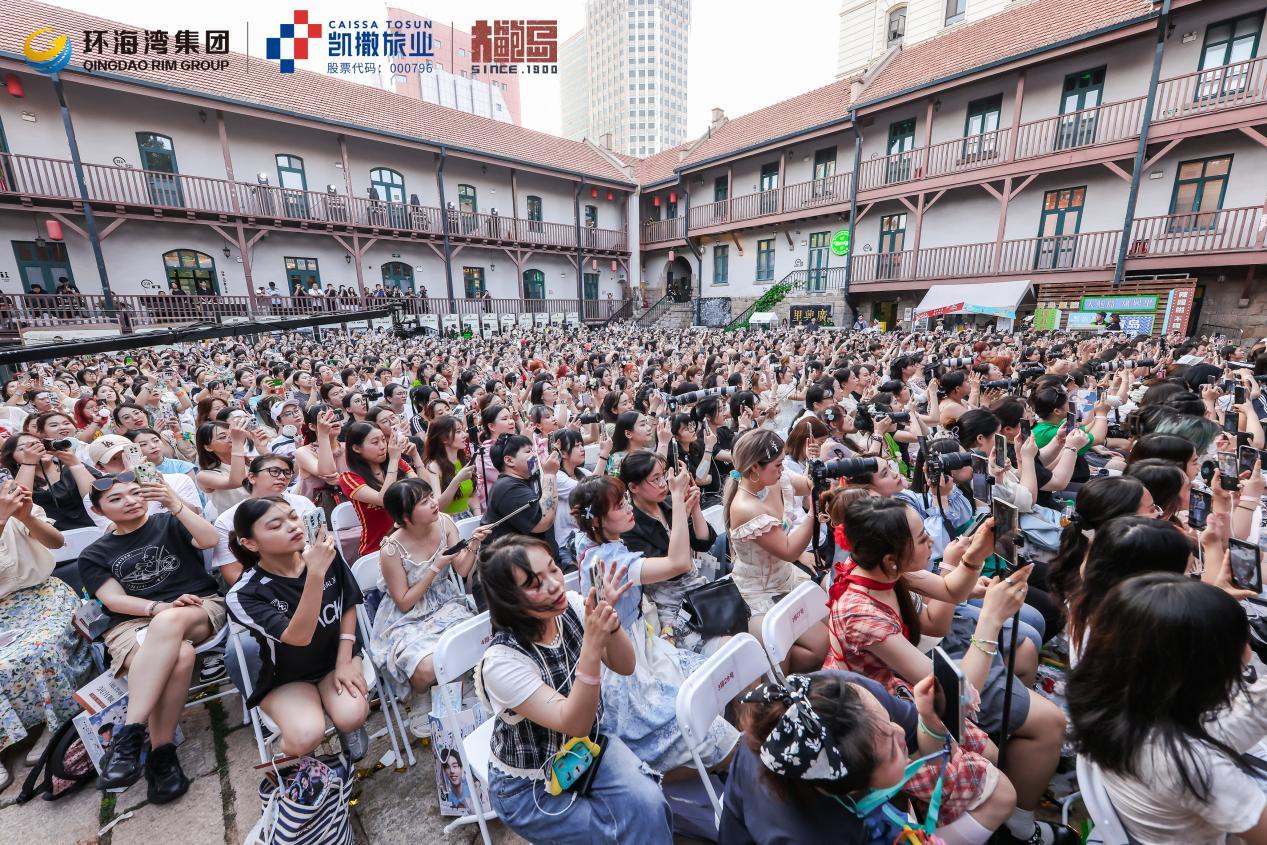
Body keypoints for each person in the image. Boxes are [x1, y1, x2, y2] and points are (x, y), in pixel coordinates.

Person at [474, 535, 673, 844]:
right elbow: (574, 721)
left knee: (650, 804)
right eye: (534, 584)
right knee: (611, 833)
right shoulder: (501, 662)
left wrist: (611, 620)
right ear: (508, 599)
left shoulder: (573, 607)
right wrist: (592, 646)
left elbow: (626, 665)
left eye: (553, 569)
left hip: (584, 749)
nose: (553, 584)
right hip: (531, 785)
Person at [1068, 573, 1267, 844]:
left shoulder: (1110, 700)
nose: (1250, 651)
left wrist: (1209, 615)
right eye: (1243, 640)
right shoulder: (1197, 768)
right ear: (1205, 668)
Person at [723, 670, 1016, 844]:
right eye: (893, 749)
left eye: (888, 719)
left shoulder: (840, 695)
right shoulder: (812, 834)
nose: (899, 730)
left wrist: (932, 722)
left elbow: (932, 753)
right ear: (855, 788)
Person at [570, 473, 739, 773]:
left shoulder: (591, 542)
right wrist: (675, 498)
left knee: (711, 685)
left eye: (625, 502)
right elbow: (679, 563)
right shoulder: (610, 561)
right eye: (620, 506)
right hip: (629, 661)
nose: (628, 508)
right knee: (699, 722)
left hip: (643, 643)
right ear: (596, 520)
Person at [77, 474, 223, 804]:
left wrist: (175, 504)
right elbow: (113, 601)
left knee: (171, 621)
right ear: (98, 510)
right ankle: (162, 756)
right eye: (116, 499)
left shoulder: (169, 522)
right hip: (132, 623)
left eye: (135, 492)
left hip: (196, 607)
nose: (130, 500)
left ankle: (128, 735)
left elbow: (210, 539)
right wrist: (157, 607)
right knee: (181, 656)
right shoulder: (94, 553)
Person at [226, 497, 370, 761]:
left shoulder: (322, 553)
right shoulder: (245, 593)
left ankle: (344, 727)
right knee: (306, 735)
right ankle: (293, 761)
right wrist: (315, 574)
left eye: (293, 517)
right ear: (250, 543)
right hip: (287, 676)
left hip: (336, 656)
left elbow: (348, 602)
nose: (292, 526)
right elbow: (298, 637)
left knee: (351, 716)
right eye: (275, 525)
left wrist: (345, 660)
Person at [372, 478, 490, 737]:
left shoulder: (445, 522)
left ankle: (458, 690)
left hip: (445, 601)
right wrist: (435, 567)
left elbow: (461, 568)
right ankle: (421, 694)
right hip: (406, 617)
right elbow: (403, 601)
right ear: (405, 517)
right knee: (426, 667)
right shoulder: (391, 549)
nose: (434, 503)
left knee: (474, 641)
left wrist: (474, 544)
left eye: (430, 497)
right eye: (424, 502)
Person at [0, 481, 86, 792]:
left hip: (42, 594)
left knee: (41, 649)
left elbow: (57, 541)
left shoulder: (16, 501)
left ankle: (57, 725)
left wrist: (26, 517)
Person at [723, 428, 829, 672]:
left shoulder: (775, 478)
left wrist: (819, 468)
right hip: (760, 592)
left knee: (828, 636)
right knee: (791, 653)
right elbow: (790, 550)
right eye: (778, 465)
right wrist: (814, 511)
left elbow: (808, 484)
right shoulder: (745, 506)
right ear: (754, 469)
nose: (783, 470)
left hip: (787, 577)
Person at [338, 421, 419, 559]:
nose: (382, 446)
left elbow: (421, 490)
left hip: (412, 542)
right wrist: (393, 460)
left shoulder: (397, 463)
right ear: (357, 448)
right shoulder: (349, 478)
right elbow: (384, 499)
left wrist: (416, 456)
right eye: (375, 442)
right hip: (377, 550)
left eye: (383, 440)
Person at [481, 434, 561, 562]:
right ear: (509, 460)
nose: (534, 455)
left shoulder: (526, 479)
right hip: (512, 569)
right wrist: (550, 474)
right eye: (528, 451)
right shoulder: (507, 488)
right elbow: (543, 522)